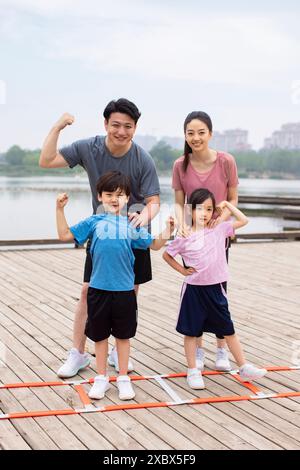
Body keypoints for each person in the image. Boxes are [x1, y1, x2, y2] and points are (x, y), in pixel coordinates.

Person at [40, 98, 160, 378]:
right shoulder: (88, 148)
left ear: (135, 128)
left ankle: (120, 353)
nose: (121, 131)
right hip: (103, 234)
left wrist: (145, 216)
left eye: (127, 127)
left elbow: (154, 200)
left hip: (132, 233)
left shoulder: (143, 158)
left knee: (129, 294)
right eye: (115, 125)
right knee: (86, 292)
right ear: (105, 123)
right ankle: (78, 353)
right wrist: (58, 126)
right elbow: (46, 161)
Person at [56, 171, 174, 400]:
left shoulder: (132, 225)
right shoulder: (94, 222)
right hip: (98, 290)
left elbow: (156, 245)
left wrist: (168, 229)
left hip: (124, 292)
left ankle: (122, 378)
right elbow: (63, 235)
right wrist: (60, 209)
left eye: (119, 195)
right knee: (99, 337)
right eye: (109, 194)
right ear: (99, 196)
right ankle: (101, 379)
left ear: (128, 198)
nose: (114, 198)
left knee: (123, 337)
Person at [163, 188, 267, 389]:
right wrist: (182, 270)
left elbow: (244, 220)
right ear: (190, 210)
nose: (205, 213)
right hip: (194, 290)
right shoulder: (184, 234)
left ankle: (244, 367)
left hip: (216, 288)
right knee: (191, 332)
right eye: (200, 208)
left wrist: (227, 205)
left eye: (209, 209)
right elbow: (167, 255)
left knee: (228, 329)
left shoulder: (219, 228)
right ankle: (193, 370)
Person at [172, 111, 239, 372]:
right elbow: (179, 204)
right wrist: (181, 227)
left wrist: (220, 214)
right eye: (190, 133)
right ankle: (197, 350)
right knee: (197, 293)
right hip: (193, 238)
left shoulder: (226, 161)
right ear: (185, 135)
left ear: (210, 134)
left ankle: (221, 349)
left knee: (219, 291)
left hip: (218, 235)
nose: (196, 137)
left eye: (201, 132)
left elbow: (233, 199)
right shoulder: (180, 165)